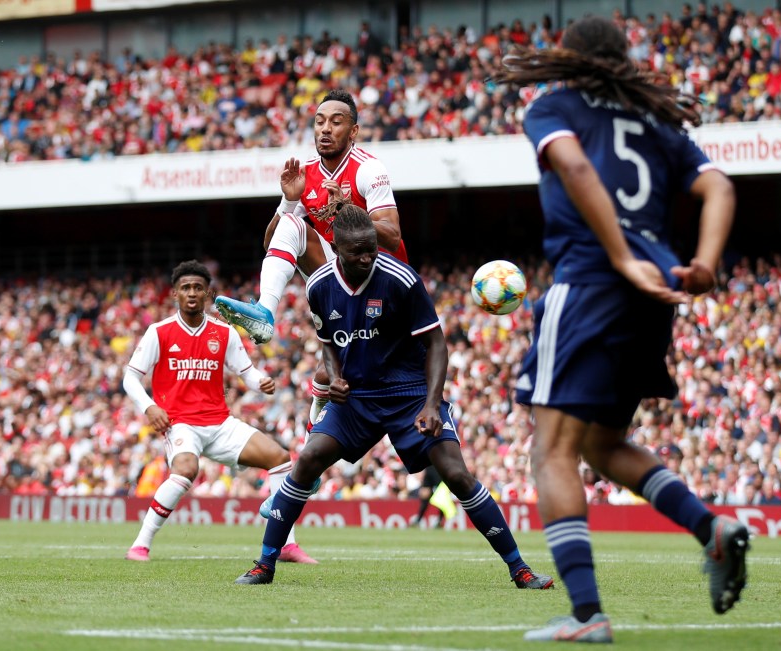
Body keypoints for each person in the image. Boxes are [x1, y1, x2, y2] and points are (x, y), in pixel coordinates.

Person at [495, 15, 746, 643]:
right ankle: (711, 530)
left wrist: (618, 254)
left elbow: (578, 171)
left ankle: (587, 616)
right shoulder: (662, 124)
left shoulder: (555, 104)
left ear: (569, 58)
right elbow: (718, 186)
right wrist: (707, 264)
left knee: (551, 451)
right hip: (656, 294)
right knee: (601, 447)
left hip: (591, 283)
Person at [233, 205, 553, 591]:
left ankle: (519, 568)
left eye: (371, 248)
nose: (369, 257)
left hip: (409, 393)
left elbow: (436, 344)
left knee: (456, 474)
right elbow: (328, 345)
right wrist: (334, 378)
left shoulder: (401, 279)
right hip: (357, 397)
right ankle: (264, 564)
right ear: (335, 246)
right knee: (308, 460)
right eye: (359, 252)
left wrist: (432, 403)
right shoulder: (318, 286)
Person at [215, 88, 407, 429]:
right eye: (319, 122)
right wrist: (288, 202)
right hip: (341, 273)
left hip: (382, 279)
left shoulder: (369, 169)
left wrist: (348, 210)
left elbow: (392, 236)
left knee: (334, 372)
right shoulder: (306, 175)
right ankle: (264, 313)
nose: (325, 129)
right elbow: (270, 242)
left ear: (353, 131)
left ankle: (320, 398)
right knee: (291, 223)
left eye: (336, 122)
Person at [122, 260, 315, 564]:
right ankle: (140, 545)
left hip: (220, 423)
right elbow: (129, 378)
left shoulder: (224, 332)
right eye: (185, 287)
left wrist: (259, 382)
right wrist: (149, 406)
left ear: (207, 293)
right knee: (185, 470)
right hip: (181, 424)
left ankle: (285, 545)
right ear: (175, 293)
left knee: (280, 460)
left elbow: (246, 372)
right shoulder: (159, 332)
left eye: (198, 287)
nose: (192, 293)